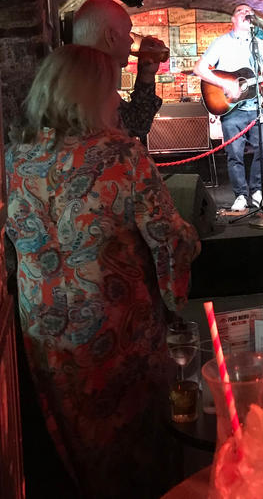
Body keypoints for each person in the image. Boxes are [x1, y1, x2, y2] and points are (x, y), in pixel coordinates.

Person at [6, 44, 201, 498]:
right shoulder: (120, 155)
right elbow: (169, 239)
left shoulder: (15, 158)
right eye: (112, 87)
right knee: (133, 444)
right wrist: (180, 279)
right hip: (116, 328)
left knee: (77, 443)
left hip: (43, 329)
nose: (117, 96)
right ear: (88, 95)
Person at [193, 3, 263, 211]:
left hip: (255, 107)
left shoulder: (259, 44)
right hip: (231, 108)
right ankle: (240, 195)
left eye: (249, 11)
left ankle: (257, 191)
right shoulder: (221, 43)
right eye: (240, 11)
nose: (246, 13)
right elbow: (199, 69)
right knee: (235, 154)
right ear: (233, 19)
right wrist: (225, 84)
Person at [73, 0, 165, 143]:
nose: (131, 41)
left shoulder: (91, 79)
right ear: (111, 37)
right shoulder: (88, 89)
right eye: (128, 32)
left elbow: (137, 124)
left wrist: (146, 74)